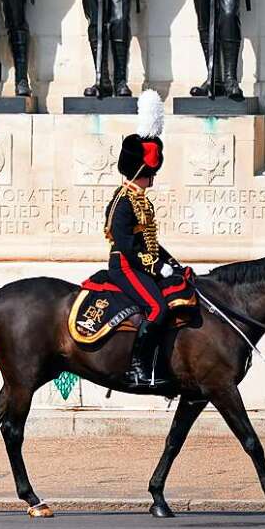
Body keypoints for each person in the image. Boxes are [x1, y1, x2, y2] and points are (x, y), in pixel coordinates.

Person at [103, 91, 184, 389]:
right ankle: (137, 367)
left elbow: (150, 241)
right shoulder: (124, 200)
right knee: (156, 308)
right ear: (141, 171)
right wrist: (154, 267)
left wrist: (171, 264)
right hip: (124, 266)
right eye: (150, 173)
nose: (152, 179)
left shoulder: (141, 201)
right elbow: (127, 245)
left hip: (139, 264)